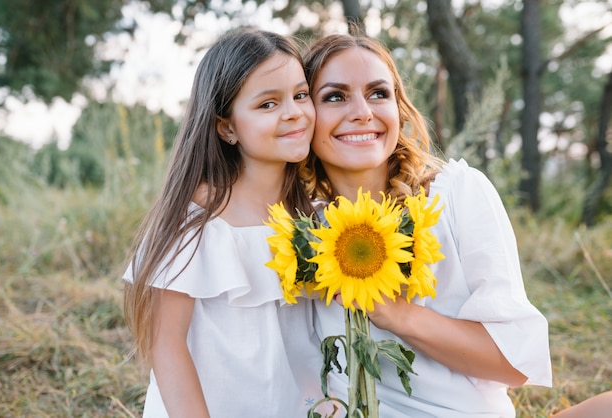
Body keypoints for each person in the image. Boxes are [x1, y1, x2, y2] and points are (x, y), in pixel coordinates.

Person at [301, 33, 553, 417]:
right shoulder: (302, 229)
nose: (363, 112)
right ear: (305, 117)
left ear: (399, 108)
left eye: (378, 93)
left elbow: (515, 364)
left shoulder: (456, 194)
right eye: (335, 96)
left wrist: (398, 314)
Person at [122, 28, 326, 418]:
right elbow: (166, 345)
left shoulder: (314, 215)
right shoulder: (197, 221)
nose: (294, 112)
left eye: (301, 95)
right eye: (268, 104)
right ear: (226, 127)